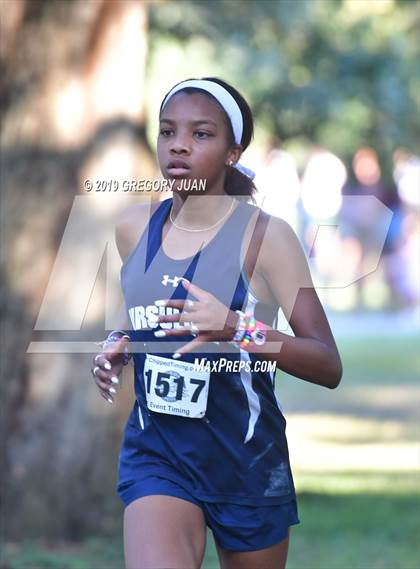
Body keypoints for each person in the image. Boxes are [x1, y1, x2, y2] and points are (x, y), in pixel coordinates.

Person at [91, 77, 342, 569]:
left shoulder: (266, 238)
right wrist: (120, 339)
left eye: (201, 134)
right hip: (158, 454)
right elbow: (141, 310)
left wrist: (237, 328)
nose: (179, 144)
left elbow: (326, 364)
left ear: (234, 151)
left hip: (245, 459)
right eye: (168, 132)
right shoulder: (133, 227)